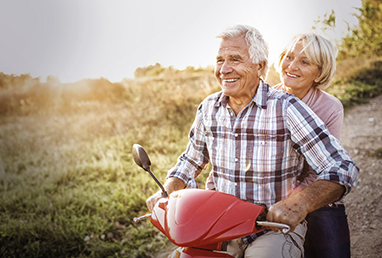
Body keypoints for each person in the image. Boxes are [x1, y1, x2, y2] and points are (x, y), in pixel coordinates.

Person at [146, 24, 359, 258]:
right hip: (218, 223)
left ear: (260, 67)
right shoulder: (208, 108)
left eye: (235, 59)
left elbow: (342, 167)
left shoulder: (287, 107)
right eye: (219, 60)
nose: (224, 69)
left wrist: (299, 203)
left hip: (272, 228)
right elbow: (190, 160)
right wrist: (167, 190)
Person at [275, 33, 350, 258]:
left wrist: (296, 199)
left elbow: (323, 168)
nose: (292, 66)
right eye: (288, 57)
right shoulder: (266, 99)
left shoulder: (330, 107)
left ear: (319, 73)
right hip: (273, 193)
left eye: (304, 61)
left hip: (315, 194)